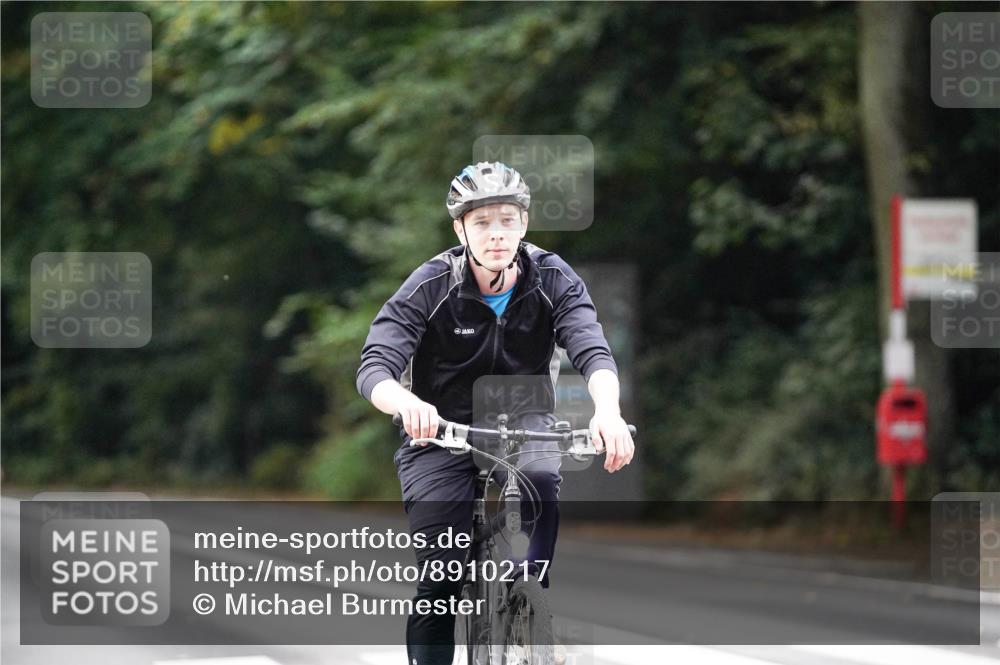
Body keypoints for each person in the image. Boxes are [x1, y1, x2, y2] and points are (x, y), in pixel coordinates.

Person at [356, 161, 634, 665]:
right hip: (441, 431)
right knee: (440, 578)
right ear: (460, 230)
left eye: (507, 220)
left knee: (541, 478)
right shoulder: (431, 285)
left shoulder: (552, 277)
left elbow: (591, 347)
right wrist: (407, 403)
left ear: (523, 224)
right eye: (482, 222)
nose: (496, 233)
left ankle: (530, 604)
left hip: (524, 421)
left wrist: (608, 412)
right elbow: (375, 365)